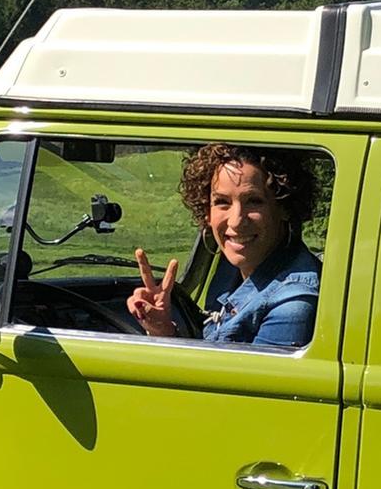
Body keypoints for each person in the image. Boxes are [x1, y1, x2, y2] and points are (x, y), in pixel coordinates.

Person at [128, 143, 321, 349]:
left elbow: (234, 381)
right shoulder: (230, 269)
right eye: (222, 202)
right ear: (206, 210)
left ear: (284, 207)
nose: (236, 221)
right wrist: (162, 330)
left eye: (254, 201)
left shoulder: (292, 306)